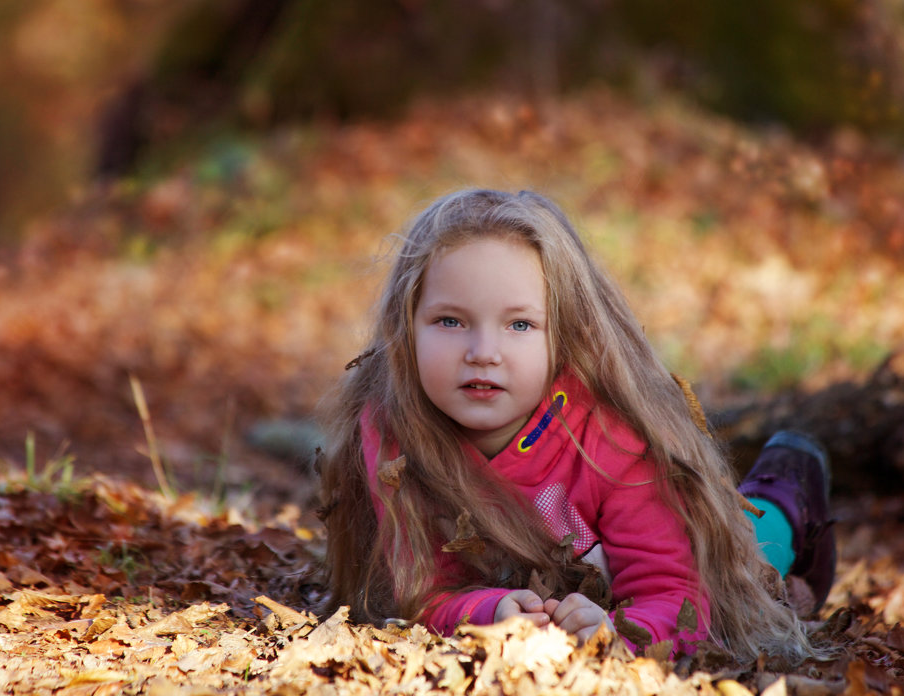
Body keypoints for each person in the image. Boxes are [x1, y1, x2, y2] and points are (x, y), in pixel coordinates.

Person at [317, 188, 835, 662]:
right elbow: (422, 593)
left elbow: (677, 597)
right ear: (405, 327)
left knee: (751, 552)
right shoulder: (394, 435)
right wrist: (489, 614)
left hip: (694, 553)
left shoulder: (609, 438)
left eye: (520, 324)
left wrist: (617, 632)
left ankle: (788, 491)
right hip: (569, 589)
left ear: (563, 336)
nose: (483, 353)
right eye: (450, 321)